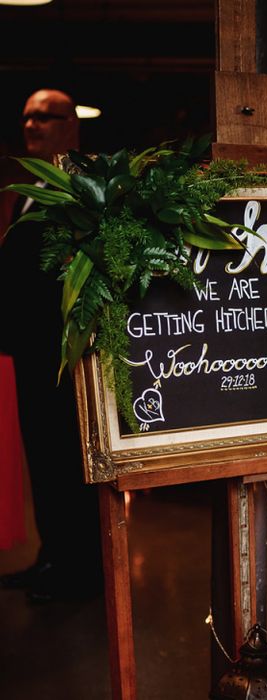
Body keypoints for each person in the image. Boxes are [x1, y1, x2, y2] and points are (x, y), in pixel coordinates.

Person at [0, 89, 102, 602]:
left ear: (71, 126)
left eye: (45, 117)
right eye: (27, 118)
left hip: (63, 352)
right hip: (31, 349)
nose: (33, 125)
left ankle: (78, 567)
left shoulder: (79, 188)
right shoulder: (30, 186)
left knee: (66, 456)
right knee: (42, 454)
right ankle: (53, 556)